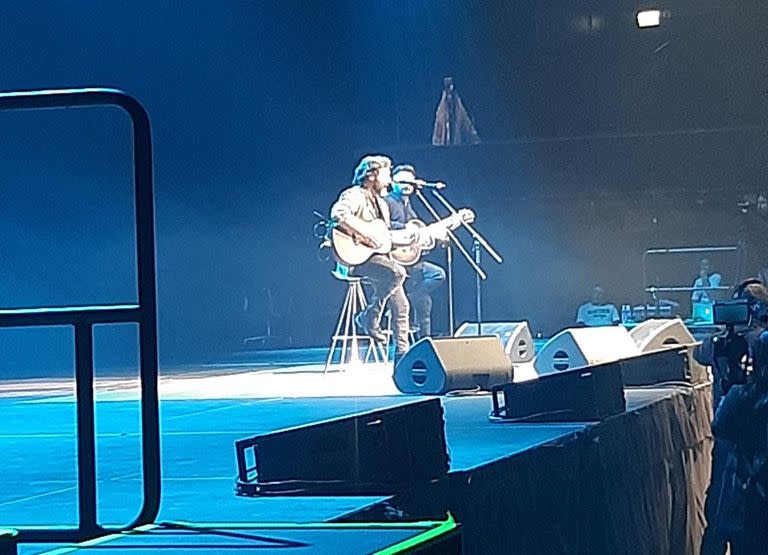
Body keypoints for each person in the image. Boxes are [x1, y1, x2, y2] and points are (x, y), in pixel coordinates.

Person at [330, 155, 438, 362]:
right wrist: (366, 234)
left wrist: (419, 237)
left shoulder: (382, 204)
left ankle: (402, 357)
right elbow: (338, 214)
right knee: (397, 272)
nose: (389, 180)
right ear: (371, 175)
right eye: (387, 174)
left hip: (379, 259)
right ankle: (370, 316)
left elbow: (385, 240)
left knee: (402, 306)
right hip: (354, 258)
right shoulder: (354, 195)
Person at [386, 164, 446, 339]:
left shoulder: (408, 203)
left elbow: (417, 228)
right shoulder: (387, 201)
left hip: (412, 259)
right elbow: (384, 225)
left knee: (427, 295)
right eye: (402, 181)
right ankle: (408, 304)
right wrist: (407, 229)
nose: (407, 185)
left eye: (410, 182)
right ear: (392, 182)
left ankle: (426, 343)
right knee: (435, 279)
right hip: (395, 258)